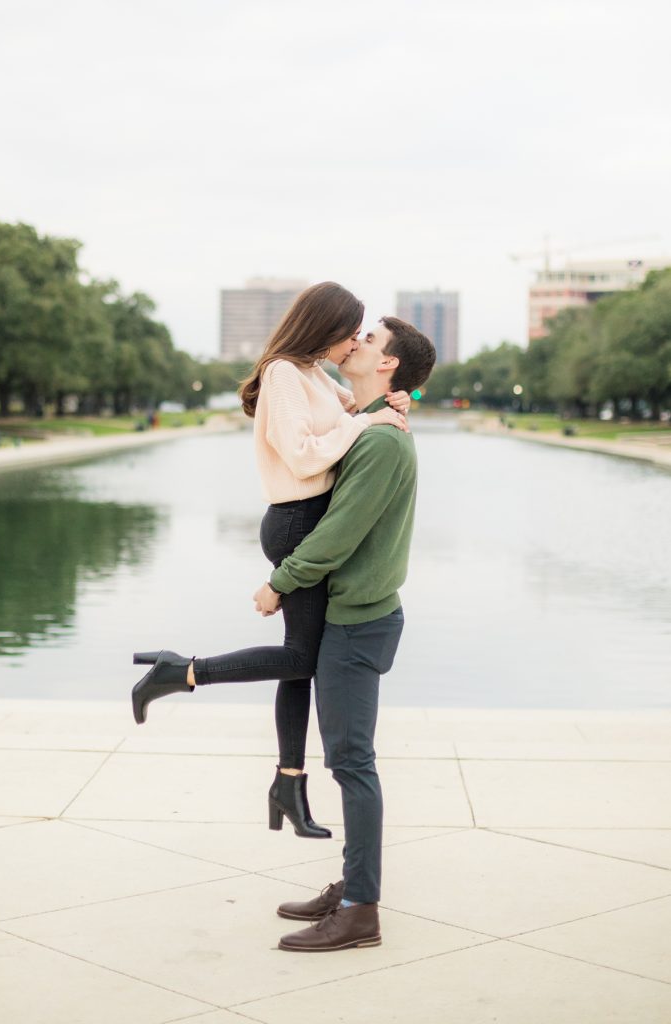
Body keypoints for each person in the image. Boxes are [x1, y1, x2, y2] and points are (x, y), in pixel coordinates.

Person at [131, 282, 411, 839]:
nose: (354, 342)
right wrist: (365, 421)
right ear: (325, 327)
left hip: (310, 518)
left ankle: (288, 781)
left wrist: (396, 403)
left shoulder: (312, 374)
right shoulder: (284, 372)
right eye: (350, 331)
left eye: (362, 335)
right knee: (300, 659)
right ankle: (181, 672)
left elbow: (352, 416)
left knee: (300, 660)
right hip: (295, 521)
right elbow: (304, 455)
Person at [251, 317, 436, 952]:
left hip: (358, 624)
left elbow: (341, 532)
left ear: (388, 364)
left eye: (370, 341)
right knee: (349, 762)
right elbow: (320, 416)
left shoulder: (383, 444)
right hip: (351, 616)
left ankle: (360, 910)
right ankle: (353, 884)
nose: (355, 342)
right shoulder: (370, 416)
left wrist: (282, 579)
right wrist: (389, 403)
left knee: (353, 765)